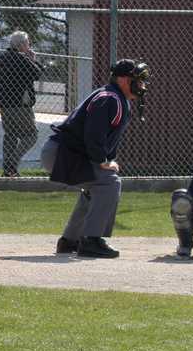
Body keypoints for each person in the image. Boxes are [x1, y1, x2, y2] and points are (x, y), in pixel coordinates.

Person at [40, 59, 149, 258]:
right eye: (137, 80)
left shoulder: (116, 97)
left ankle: (70, 241)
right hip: (62, 153)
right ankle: (91, 241)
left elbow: (106, 140)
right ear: (123, 80)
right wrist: (102, 161)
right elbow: (93, 134)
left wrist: (106, 161)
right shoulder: (109, 98)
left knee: (99, 185)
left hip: (67, 153)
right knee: (109, 183)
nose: (141, 85)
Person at [0, 31, 45, 177]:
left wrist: (1, 95)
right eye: (28, 43)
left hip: (4, 105)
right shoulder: (21, 58)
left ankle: (8, 171)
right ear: (22, 45)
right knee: (31, 135)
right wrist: (33, 59)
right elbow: (38, 73)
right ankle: (12, 163)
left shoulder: (0, 58)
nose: (29, 46)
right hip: (21, 105)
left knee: (10, 135)